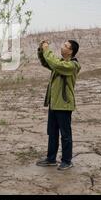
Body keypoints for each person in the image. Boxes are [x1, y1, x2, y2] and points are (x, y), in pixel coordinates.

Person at [36, 39, 81, 170]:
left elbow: (53, 63)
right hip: (54, 103)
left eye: (66, 46)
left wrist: (47, 49)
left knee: (65, 135)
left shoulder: (72, 66)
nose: (62, 47)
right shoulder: (60, 63)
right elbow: (46, 61)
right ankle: (51, 159)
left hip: (64, 104)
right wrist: (41, 50)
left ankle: (67, 161)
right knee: (52, 133)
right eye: (63, 44)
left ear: (71, 51)